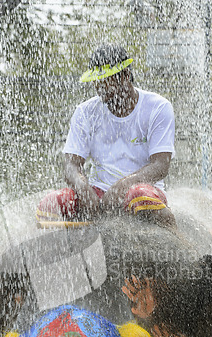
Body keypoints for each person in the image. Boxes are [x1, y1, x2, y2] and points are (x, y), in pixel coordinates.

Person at [37, 44, 176, 227]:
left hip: (142, 193)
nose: (99, 86)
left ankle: (182, 244)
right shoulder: (85, 111)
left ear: (126, 76)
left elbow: (160, 165)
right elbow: (71, 164)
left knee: (139, 195)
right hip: (99, 195)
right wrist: (83, 189)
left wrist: (122, 187)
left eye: (106, 80)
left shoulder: (158, 107)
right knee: (50, 204)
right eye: (96, 80)